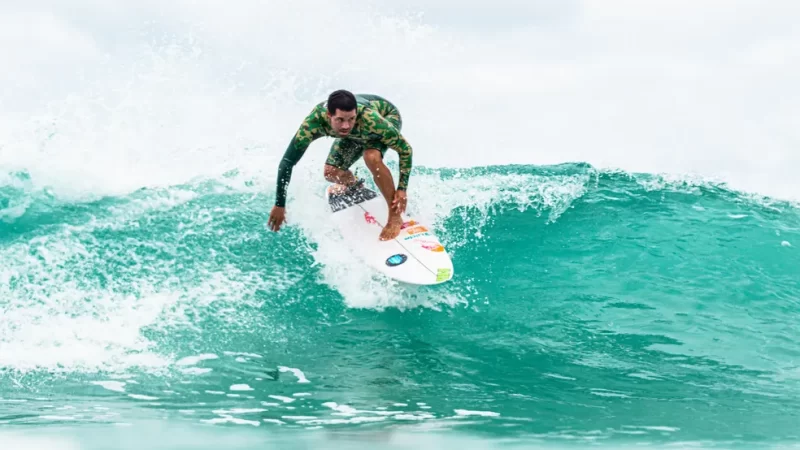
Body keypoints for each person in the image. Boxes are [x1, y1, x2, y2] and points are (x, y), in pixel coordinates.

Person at [267, 89, 413, 240]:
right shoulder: (313, 123)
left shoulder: (372, 121)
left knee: (371, 156)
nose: (346, 126)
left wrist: (402, 189)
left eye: (351, 119)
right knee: (331, 172)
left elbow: (406, 150)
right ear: (329, 116)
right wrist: (279, 204)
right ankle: (354, 185)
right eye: (340, 120)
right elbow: (287, 162)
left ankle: (395, 216)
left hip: (385, 117)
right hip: (356, 134)